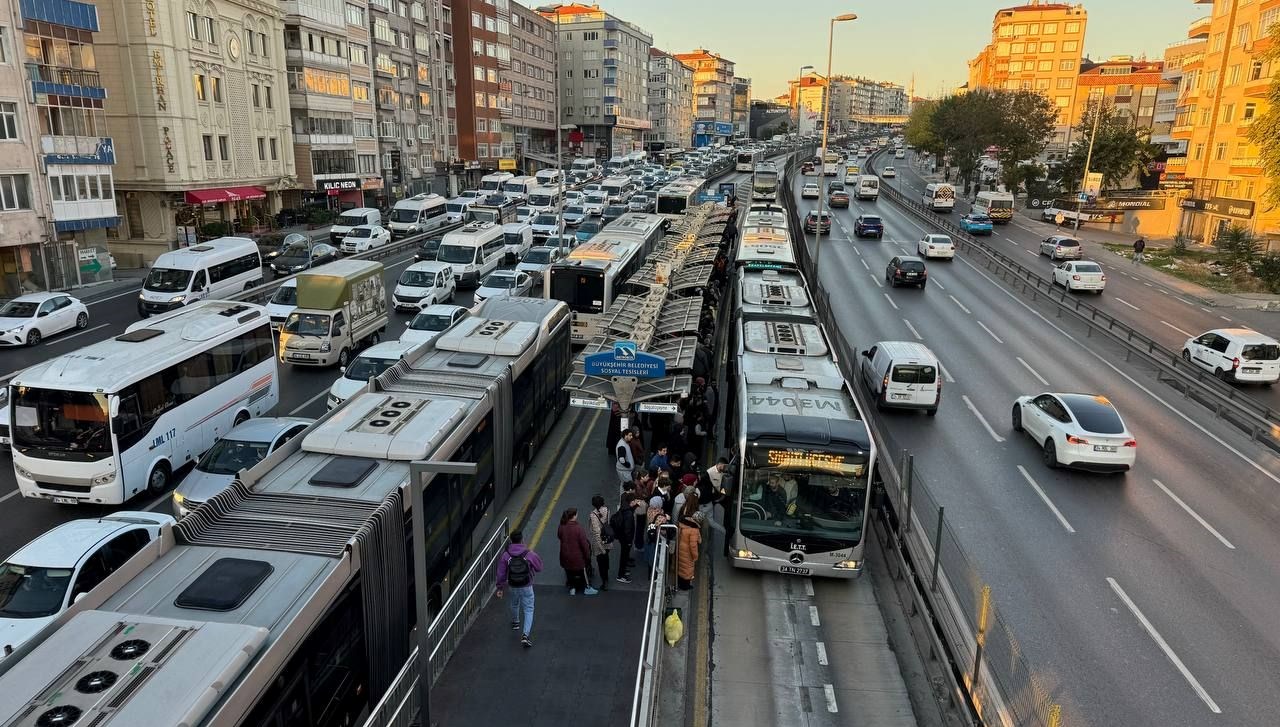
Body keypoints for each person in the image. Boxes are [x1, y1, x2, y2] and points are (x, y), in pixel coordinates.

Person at [495, 529, 543, 648]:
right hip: (527, 585)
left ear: (511, 540)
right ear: (522, 539)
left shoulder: (506, 555)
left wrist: (500, 588)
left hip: (512, 584)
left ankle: (516, 622)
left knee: (514, 603)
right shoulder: (529, 553)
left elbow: (501, 573)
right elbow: (539, 567)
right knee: (529, 609)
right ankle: (525, 635)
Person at [556, 508, 597, 596]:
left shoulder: (561, 526)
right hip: (577, 556)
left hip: (565, 555)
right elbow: (584, 544)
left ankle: (572, 588)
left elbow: (559, 536)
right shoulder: (578, 528)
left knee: (569, 572)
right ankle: (587, 588)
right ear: (574, 516)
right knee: (583, 571)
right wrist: (587, 556)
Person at [612, 491, 640, 584]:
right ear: (631, 501)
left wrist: (635, 506)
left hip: (621, 536)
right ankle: (621, 575)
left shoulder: (625, 507)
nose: (636, 501)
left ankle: (623, 571)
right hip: (625, 539)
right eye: (635, 500)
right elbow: (628, 529)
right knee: (624, 557)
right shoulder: (629, 514)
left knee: (624, 556)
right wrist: (629, 541)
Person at [587, 494, 612, 592]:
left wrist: (601, 549)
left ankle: (604, 581)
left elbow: (597, 533)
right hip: (607, 539)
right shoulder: (607, 510)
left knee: (601, 562)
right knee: (606, 559)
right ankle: (606, 576)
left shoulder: (593, 515)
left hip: (599, 544)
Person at [676, 501, 703, 590]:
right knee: (687, 569)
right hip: (688, 552)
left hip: (681, 548)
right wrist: (695, 556)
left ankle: (680, 583)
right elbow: (693, 546)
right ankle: (685, 586)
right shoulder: (694, 530)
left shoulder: (684, 523)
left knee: (681, 567)